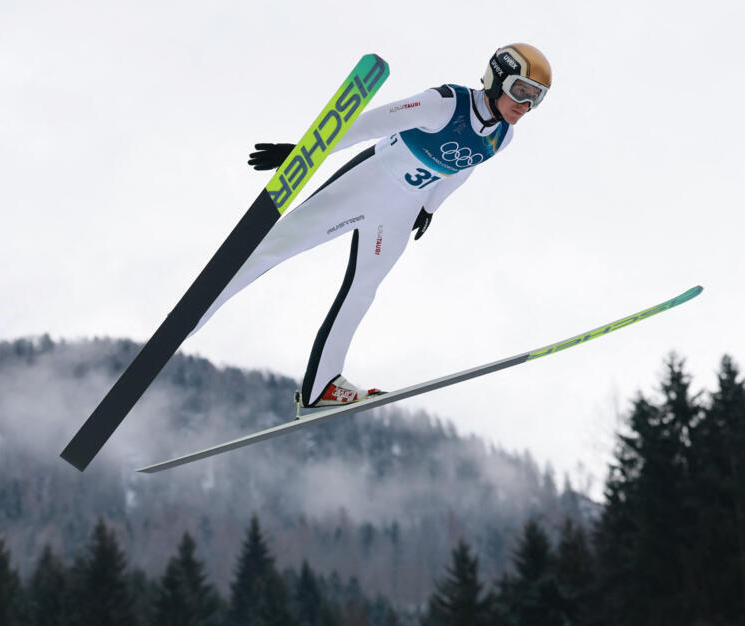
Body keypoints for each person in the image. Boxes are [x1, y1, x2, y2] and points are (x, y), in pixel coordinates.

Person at [192, 43, 552, 408]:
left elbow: (463, 168)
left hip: (401, 211)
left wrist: (429, 207)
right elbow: (368, 125)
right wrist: (304, 151)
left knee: (363, 289)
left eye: (535, 98)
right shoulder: (444, 103)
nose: (524, 105)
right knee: (275, 249)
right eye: (520, 91)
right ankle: (194, 315)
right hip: (365, 185)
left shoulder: (502, 136)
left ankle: (323, 386)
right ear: (498, 78)